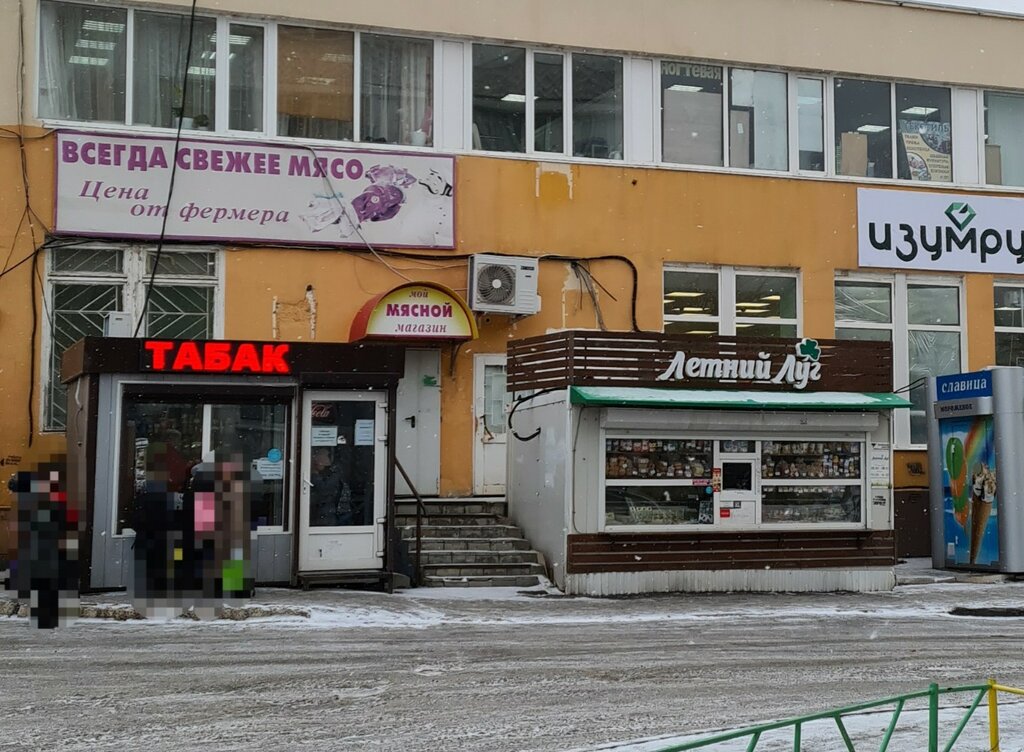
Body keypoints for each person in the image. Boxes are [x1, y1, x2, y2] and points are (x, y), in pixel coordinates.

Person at [309, 447, 353, 526]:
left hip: (332, 513)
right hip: (325, 514)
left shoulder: (330, 474)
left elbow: (325, 490)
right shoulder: (319, 475)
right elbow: (323, 490)